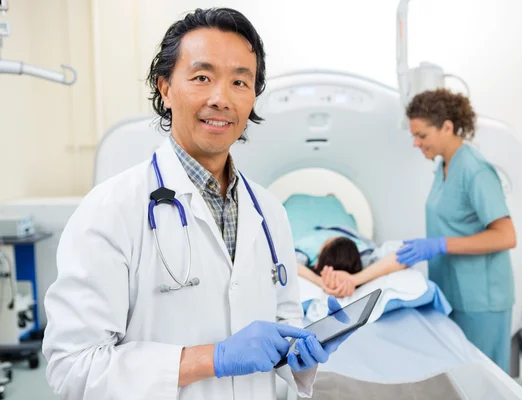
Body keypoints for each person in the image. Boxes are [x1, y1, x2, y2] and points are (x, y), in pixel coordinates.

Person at [41, 8, 350, 400]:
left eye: (240, 81)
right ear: (166, 89)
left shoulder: (270, 212)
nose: (221, 98)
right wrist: (213, 358)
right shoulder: (110, 209)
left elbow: (282, 324)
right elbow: (73, 368)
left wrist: (299, 357)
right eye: (202, 77)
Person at [395, 88, 517, 373]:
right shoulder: (444, 165)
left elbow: (506, 235)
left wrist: (439, 245)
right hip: (454, 292)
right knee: (463, 378)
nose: (415, 143)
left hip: (482, 300)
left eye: (421, 135)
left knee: (483, 381)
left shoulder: (475, 170)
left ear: (447, 127)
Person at [296, 230, 406, 297]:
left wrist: (354, 280)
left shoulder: (304, 252)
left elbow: (406, 252)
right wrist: (353, 279)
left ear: (317, 264)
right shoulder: (366, 259)